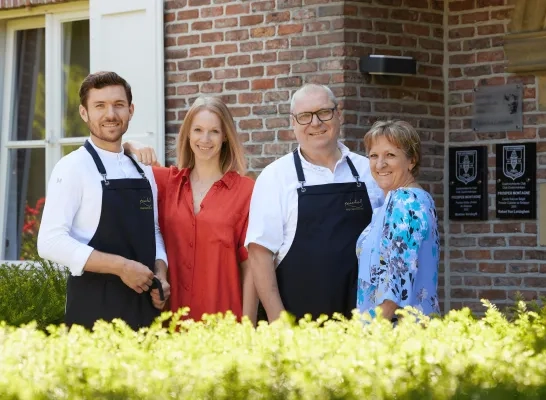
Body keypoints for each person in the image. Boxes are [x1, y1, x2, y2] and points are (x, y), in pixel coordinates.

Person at [37, 71, 170, 330]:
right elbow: (49, 242)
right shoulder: (72, 167)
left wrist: (161, 275)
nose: (111, 114)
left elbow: (152, 230)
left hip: (145, 309)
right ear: (84, 113)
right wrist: (121, 267)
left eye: (118, 105)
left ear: (130, 110)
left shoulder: (143, 170)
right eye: (100, 106)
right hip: (93, 310)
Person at [245, 84, 384, 323]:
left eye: (324, 112)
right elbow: (259, 256)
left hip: (364, 325)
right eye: (305, 116)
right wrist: (280, 323)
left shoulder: (369, 172)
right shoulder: (275, 177)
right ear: (293, 123)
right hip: (299, 328)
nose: (316, 123)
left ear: (338, 114)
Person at [124, 96, 257, 323]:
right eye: (198, 130)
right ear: (187, 134)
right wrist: (133, 145)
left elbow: (251, 268)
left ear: (225, 136)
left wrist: (248, 325)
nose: (205, 139)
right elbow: (117, 155)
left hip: (224, 323)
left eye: (214, 131)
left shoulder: (246, 190)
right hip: (170, 321)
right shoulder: (166, 182)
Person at [356, 120, 440, 321]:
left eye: (390, 155)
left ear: (411, 160)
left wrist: (364, 334)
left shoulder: (405, 201)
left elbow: (395, 290)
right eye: (373, 156)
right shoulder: (406, 200)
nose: (380, 164)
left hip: (394, 335)